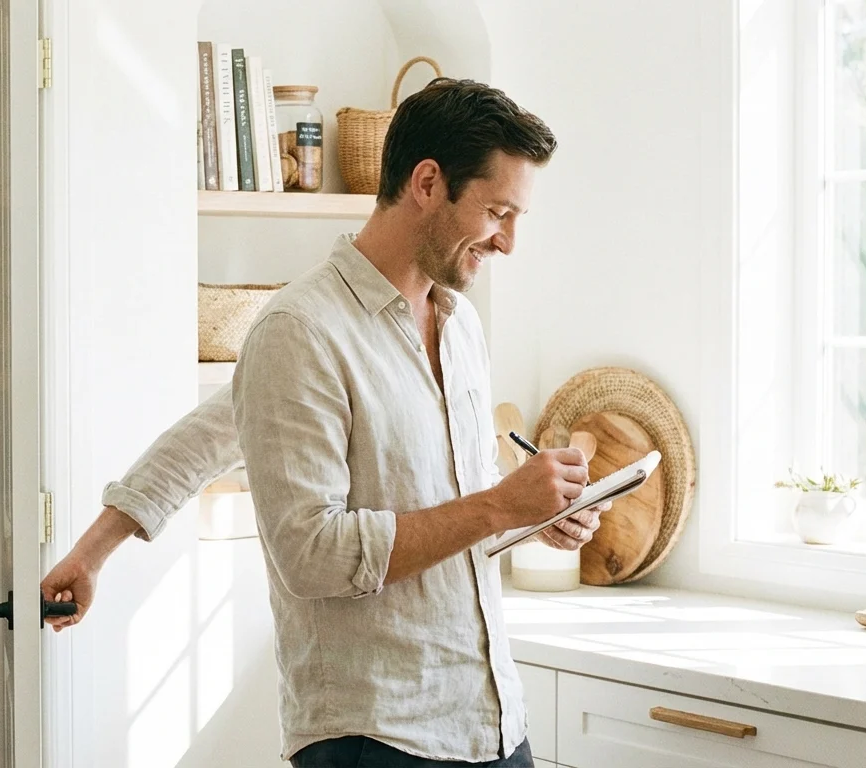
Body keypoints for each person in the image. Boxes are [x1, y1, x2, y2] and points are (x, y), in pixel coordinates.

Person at [42, 79, 604, 768]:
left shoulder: (461, 327)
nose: (509, 242)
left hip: (490, 721)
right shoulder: (300, 331)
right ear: (428, 182)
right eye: (497, 212)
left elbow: (213, 431)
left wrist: (533, 512)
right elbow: (310, 552)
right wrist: (497, 507)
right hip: (377, 738)